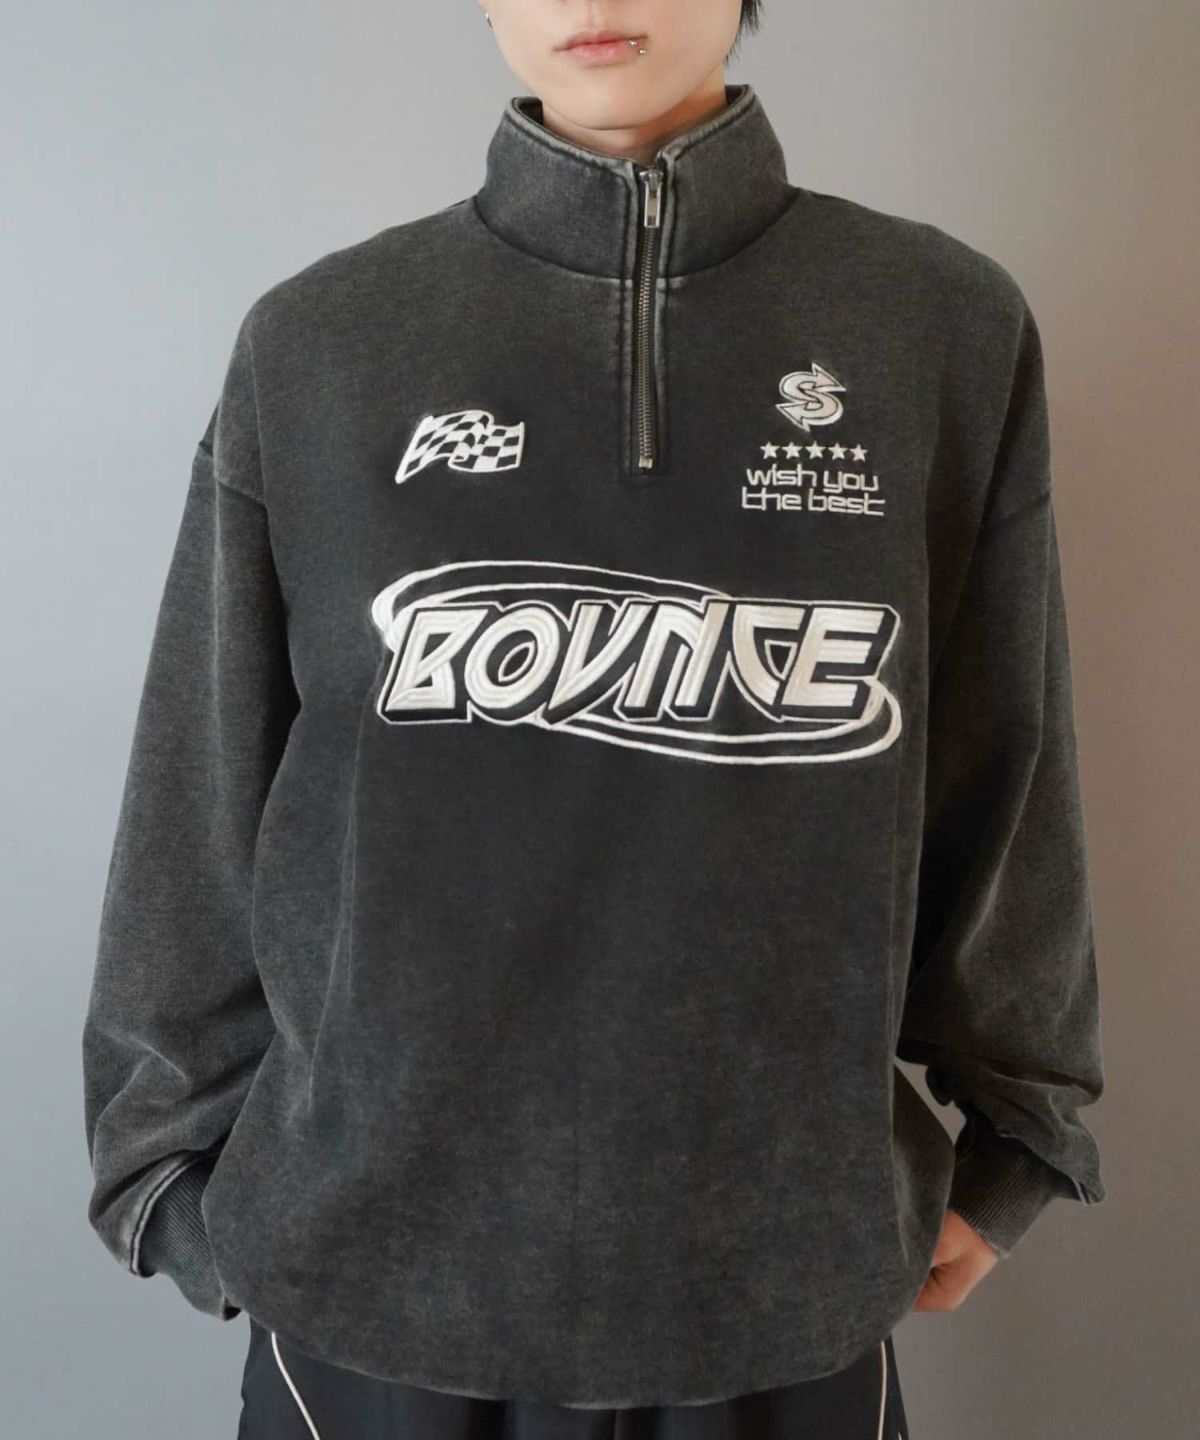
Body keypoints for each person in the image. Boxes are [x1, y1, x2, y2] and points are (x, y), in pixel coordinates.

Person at [81, 2, 1107, 1436]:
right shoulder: (323, 341)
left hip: (783, 1279)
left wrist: (1017, 1142)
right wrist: (163, 1167)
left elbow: (1005, 763)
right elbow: (205, 776)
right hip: (370, 1285)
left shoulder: (935, 325)